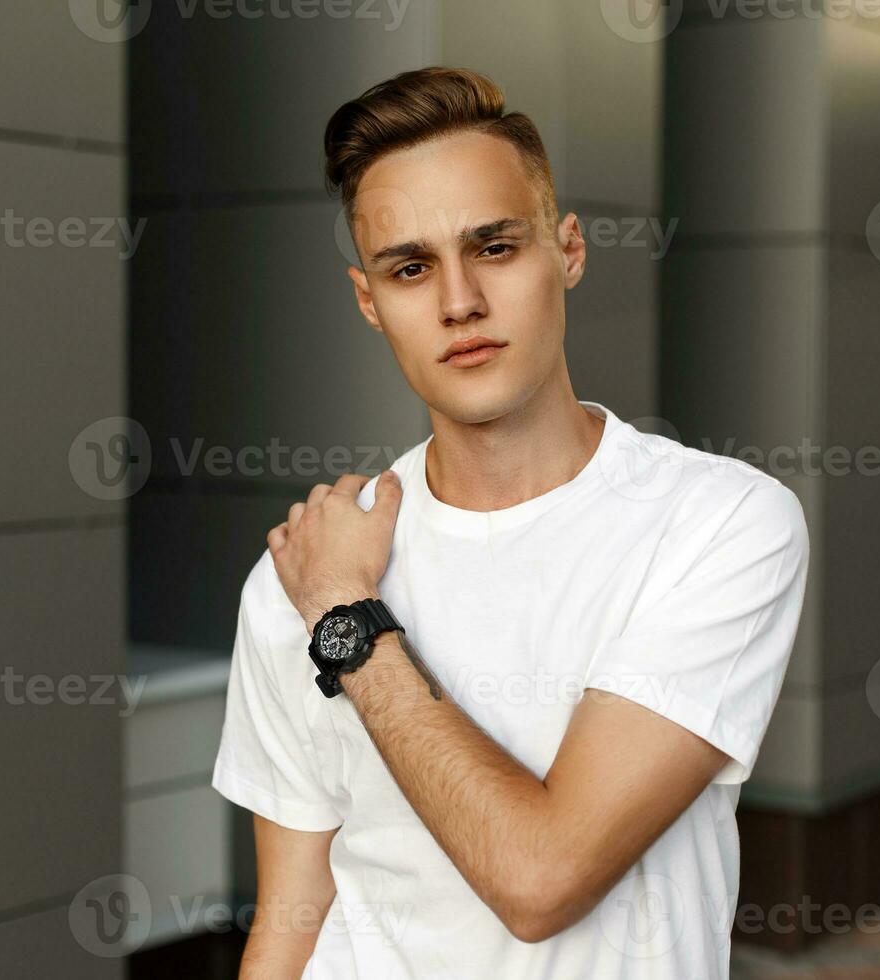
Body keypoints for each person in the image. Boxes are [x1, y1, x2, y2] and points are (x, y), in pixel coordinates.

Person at [211, 66, 809, 979]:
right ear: (370, 302)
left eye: (493, 247)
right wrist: (327, 592)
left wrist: (348, 618)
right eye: (410, 268)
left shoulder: (719, 524)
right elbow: (293, 917)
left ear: (566, 250)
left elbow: (542, 879)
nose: (459, 303)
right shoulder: (295, 576)